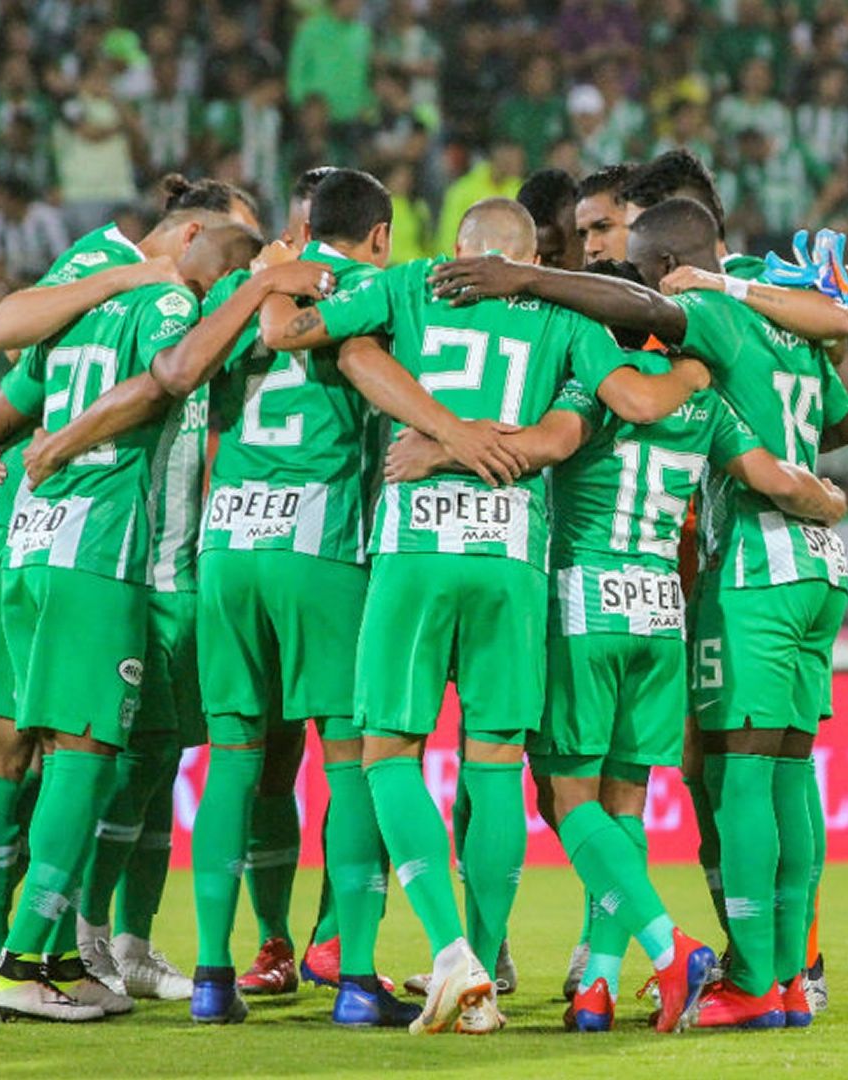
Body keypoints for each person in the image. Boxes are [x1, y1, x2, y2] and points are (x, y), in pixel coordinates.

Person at [260, 197, 713, 1034]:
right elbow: (594, 423)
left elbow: (289, 335)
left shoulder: (406, 285)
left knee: (389, 750)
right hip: (513, 555)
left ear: (460, 250)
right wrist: (692, 371)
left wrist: (280, 278)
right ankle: (490, 968)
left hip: (416, 548)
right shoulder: (562, 320)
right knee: (497, 763)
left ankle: (452, 953)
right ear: (525, 257)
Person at [429, 196, 848, 1029]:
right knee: (643, 803)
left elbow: (545, 444)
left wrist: (444, 441)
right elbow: (791, 458)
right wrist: (829, 498)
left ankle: (681, 955)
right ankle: (609, 984)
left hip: (589, 602)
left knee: (569, 801)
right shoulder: (708, 397)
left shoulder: (591, 386)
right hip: (666, 610)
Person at [0, 176, 259, 1013]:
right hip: (86, 550)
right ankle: (13, 956)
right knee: (58, 749)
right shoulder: (131, 280)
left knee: (74, 750)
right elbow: (143, 372)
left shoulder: (98, 315)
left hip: (42, 541)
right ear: (189, 240)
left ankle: (10, 951)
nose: (235, 277)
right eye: (232, 257)